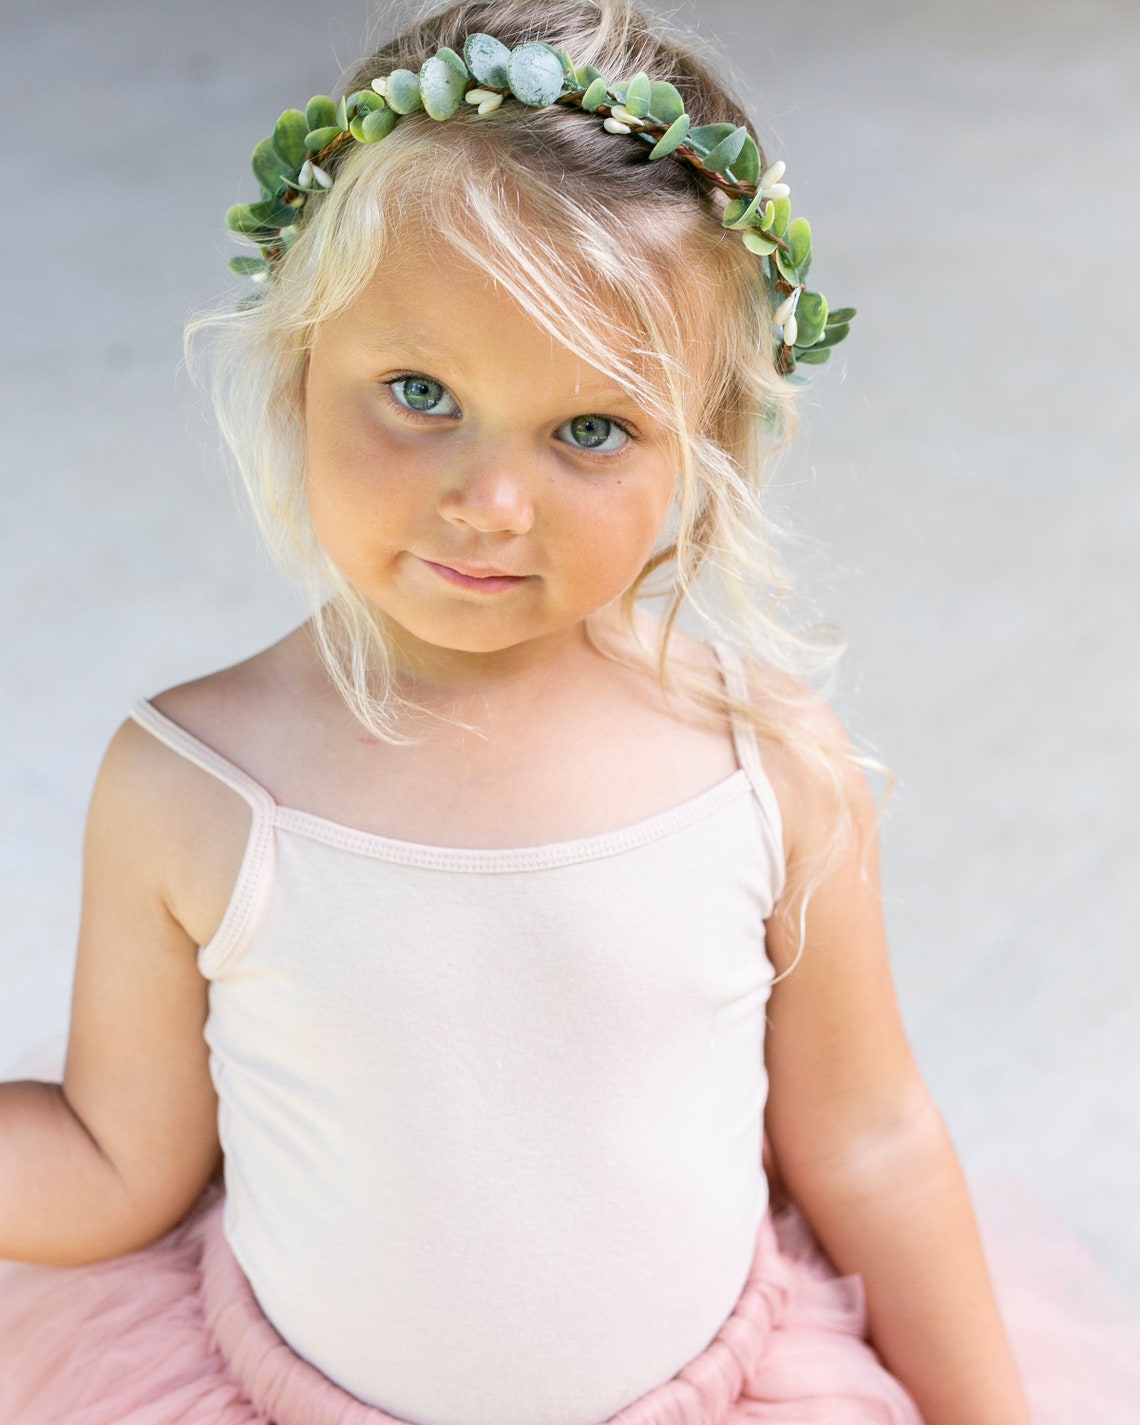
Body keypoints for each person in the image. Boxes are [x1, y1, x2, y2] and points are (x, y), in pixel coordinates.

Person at [1, 2, 1137, 1422]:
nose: (490, 501)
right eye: (420, 393)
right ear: (300, 370)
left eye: (590, 429)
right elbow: (119, 1158)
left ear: (706, 442)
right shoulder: (199, 786)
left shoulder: (761, 769)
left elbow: (871, 1140)